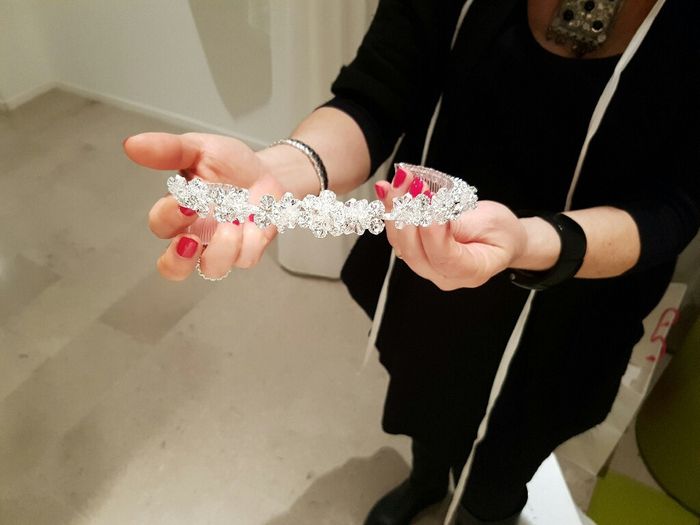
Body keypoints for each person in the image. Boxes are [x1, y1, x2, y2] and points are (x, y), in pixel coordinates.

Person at [124, 0, 699, 523]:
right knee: (426, 393)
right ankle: (426, 479)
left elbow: (675, 205)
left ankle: (486, 511)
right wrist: (286, 168)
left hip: (580, 297)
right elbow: (376, 93)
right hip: (426, 268)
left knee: (509, 454)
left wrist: (530, 242)